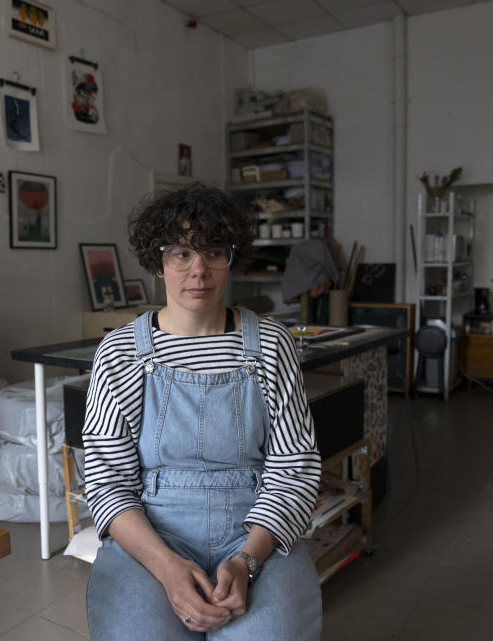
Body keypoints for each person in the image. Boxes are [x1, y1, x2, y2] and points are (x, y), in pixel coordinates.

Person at [83, 183, 323, 640]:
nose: (199, 270)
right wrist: (168, 570)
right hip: (153, 535)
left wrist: (248, 560)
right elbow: (107, 480)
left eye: (214, 252)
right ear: (158, 261)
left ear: (231, 258)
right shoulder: (119, 353)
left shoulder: (271, 345)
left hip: (253, 529)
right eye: (180, 253)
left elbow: (295, 468)